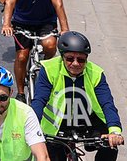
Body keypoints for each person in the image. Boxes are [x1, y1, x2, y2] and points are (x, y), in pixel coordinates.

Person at [32, 32, 124, 160]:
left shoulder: (96, 73)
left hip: (88, 121)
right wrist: (31, 128)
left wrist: (114, 131)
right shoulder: (49, 69)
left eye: (81, 60)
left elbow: (107, 104)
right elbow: (39, 101)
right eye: (70, 59)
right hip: (56, 124)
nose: (75, 64)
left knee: (110, 148)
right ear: (62, 57)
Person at [3, 0, 69, 101]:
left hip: (45, 23)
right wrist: (6, 24)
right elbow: (9, 3)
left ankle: (45, 70)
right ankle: (20, 92)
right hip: (22, 24)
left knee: (51, 45)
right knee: (21, 56)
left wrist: (65, 29)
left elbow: (58, 4)